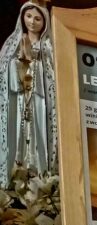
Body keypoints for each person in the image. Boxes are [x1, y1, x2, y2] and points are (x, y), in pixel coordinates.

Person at [0, 2, 57, 189]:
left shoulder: (49, 46)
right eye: (29, 16)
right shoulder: (13, 43)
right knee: (18, 131)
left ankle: (40, 174)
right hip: (18, 98)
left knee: (39, 131)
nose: (32, 22)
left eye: (37, 18)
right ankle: (15, 173)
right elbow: (4, 70)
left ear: (45, 22)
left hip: (40, 99)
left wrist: (34, 63)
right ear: (22, 17)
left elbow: (52, 74)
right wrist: (19, 62)